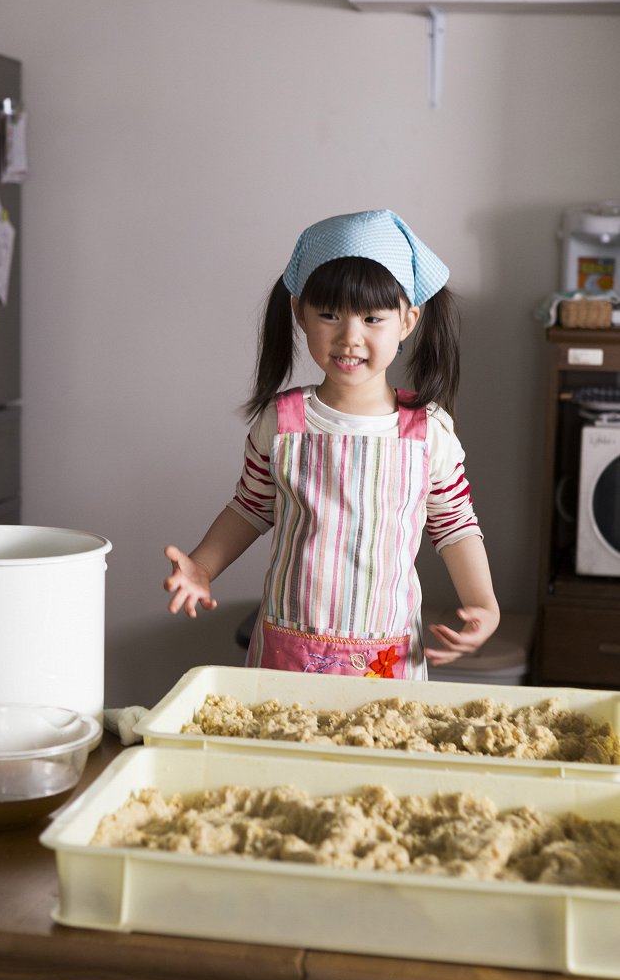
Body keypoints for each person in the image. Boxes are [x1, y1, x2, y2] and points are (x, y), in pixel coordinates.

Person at [164, 209, 499, 678]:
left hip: (388, 658)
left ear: (407, 321)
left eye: (372, 317)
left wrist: (484, 605)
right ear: (300, 312)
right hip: (288, 653)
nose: (349, 336)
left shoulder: (428, 432)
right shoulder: (280, 422)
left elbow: (455, 524)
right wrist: (201, 566)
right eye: (329, 314)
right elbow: (249, 507)